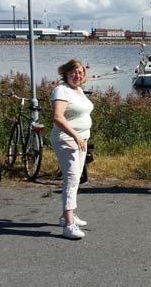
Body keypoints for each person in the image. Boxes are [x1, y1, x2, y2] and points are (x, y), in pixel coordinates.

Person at [50, 59, 94, 240]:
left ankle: (66, 215)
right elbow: (57, 117)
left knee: (76, 180)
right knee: (71, 179)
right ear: (65, 74)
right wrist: (76, 136)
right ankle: (69, 225)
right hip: (67, 140)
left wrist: (81, 137)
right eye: (73, 72)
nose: (77, 75)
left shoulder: (78, 90)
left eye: (80, 73)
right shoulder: (61, 90)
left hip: (81, 140)